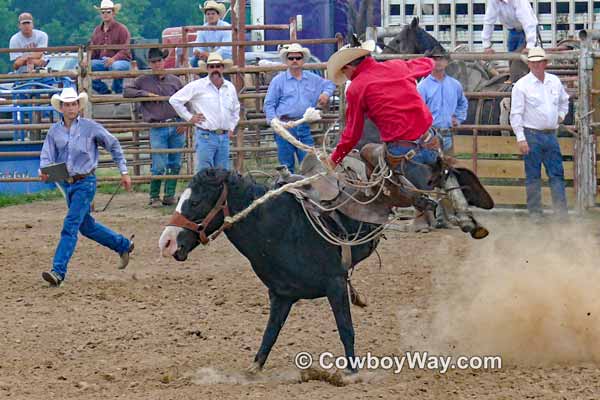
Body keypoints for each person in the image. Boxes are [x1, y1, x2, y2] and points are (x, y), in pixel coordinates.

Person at [39, 87, 134, 287]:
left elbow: (113, 144)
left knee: (70, 225)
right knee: (85, 226)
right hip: (68, 183)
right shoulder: (54, 131)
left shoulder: (91, 127)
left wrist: (124, 171)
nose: (71, 107)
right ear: (61, 107)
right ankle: (123, 245)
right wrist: (44, 170)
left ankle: (58, 271)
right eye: (67, 104)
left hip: (86, 182)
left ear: (78, 106)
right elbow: (47, 154)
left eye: (74, 104)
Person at [510, 47, 569, 222]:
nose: (536, 65)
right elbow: (516, 114)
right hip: (532, 134)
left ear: (545, 63)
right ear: (529, 64)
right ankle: (535, 213)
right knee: (534, 175)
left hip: (550, 134)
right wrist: (521, 138)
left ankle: (560, 213)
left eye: (539, 62)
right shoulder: (521, 86)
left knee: (556, 174)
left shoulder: (554, 82)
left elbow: (564, 101)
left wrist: (560, 116)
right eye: (533, 62)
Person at [123, 48, 185, 207]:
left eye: (159, 61)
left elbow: (186, 101)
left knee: (175, 162)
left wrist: (185, 121)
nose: (157, 64)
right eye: (154, 62)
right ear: (150, 64)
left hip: (176, 124)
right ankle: (155, 196)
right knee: (159, 164)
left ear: (163, 61)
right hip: (157, 126)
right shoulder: (143, 80)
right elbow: (127, 91)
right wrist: (146, 94)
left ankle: (168, 195)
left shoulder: (175, 80)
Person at [417, 47, 468, 229]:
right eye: (434, 59)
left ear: (447, 62)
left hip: (446, 133)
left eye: (441, 59)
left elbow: (463, 103)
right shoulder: (422, 86)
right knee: (430, 175)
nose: (438, 62)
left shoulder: (454, 85)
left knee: (445, 174)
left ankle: (443, 216)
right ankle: (433, 215)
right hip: (429, 136)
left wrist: (458, 118)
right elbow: (417, 111)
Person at [264, 43, 335, 174]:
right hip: (284, 126)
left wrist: (325, 94)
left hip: (303, 124)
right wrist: (275, 122)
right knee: (286, 165)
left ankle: (308, 192)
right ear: (287, 60)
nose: (295, 61)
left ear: (303, 60)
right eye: (291, 58)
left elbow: (330, 84)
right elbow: (269, 104)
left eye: (298, 57)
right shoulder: (278, 81)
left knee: (309, 163)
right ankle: (289, 191)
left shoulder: (312, 79)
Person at [169, 52, 240, 171]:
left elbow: (236, 109)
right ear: (207, 69)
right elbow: (174, 100)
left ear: (222, 68)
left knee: (222, 174)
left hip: (224, 136)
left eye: (218, 66)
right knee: (205, 173)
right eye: (212, 67)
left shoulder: (229, 87)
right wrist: (189, 117)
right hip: (206, 135)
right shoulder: (198, 86)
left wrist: (232, 127)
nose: (215, 69)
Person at [88, 0, 131, 94]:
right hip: (102, 61)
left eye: (108, 12)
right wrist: (86, 60)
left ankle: (118, 90)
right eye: (103, 12)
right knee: (85, 67)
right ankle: (104, 90)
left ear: (113, 13)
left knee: (116, 67)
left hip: (121, 61)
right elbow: (93, 49)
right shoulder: (97, 31)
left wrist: (113, 59)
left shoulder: (122, 29)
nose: (105, 14)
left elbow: (125, 49)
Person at [190, 1, 232, 67]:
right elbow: (198, 45)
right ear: (205, 16)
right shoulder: (203, 28)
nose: (210, 16)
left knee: (225, 62)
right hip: (207, 57)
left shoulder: (226, 27)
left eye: (213, 13)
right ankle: (206, 76)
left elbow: (226, 49)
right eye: (208, 14)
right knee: (193, 61)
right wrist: (199, 52)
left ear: (218, 15)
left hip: (224, 56)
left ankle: (219, 76)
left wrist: (210, 55)